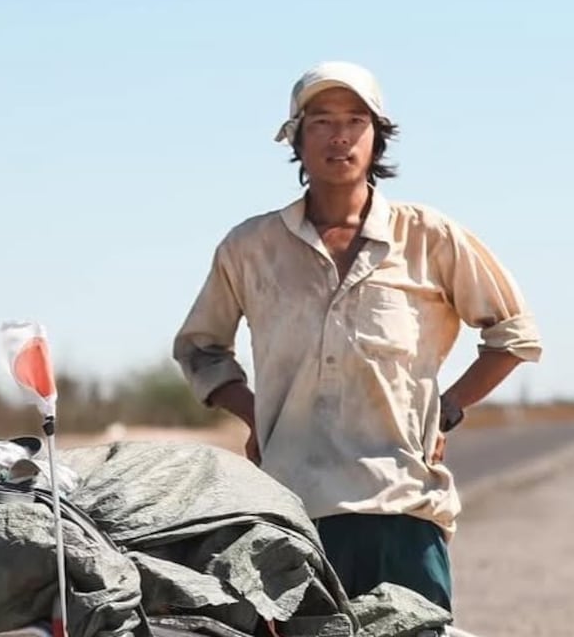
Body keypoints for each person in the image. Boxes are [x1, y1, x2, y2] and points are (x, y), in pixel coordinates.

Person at [171, 60, 543, 613]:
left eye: (355, 120)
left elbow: (513, 334)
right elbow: (201, 347)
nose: (339, 135)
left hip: (402, 511)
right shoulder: (251, 249)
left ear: (377, 137)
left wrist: (448, 408)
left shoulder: (427, 237)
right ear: (295, 137)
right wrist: (257, 414)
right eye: (320, 121)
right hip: (292, 515)